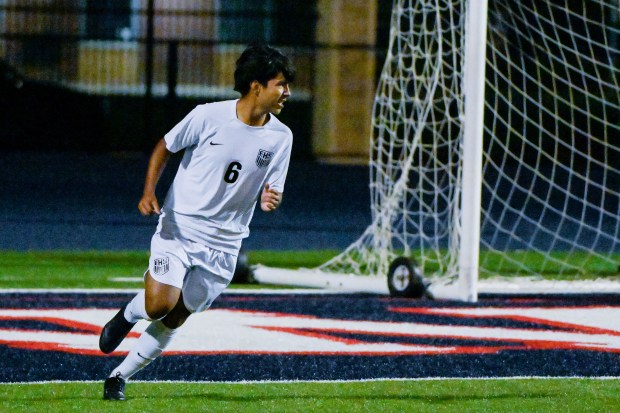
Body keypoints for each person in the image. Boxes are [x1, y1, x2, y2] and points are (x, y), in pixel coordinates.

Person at [99, 43, 295, 401]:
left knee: (176, 317)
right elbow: (165, 145)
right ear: (256, 85)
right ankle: (127, 315)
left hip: (225, 245)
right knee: (159, 304)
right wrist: (148, 191)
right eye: (281, 84)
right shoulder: (208, 116)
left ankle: (118, 377)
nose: (287, 92)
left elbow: (273, 189)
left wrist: (272, 198)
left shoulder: (282, 137)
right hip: (180, 229)